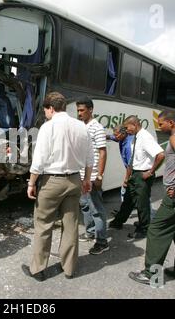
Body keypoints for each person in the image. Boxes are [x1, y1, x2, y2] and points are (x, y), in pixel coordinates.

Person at [22, 92, 93, 281]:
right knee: (71, 225)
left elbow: (39, 160)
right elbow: (89, 158)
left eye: (45, 110)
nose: (45, 114)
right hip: (75, 180)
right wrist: (86, 180)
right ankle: (69, 268)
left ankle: (38, 270)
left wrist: (31, 183)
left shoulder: (48, 127)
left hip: (52, 181)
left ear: (51, 108)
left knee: (43, 225)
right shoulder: (81, 127)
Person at [129, 110, 175, 286]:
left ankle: (152, 275)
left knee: (156, 230)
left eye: (161, 124)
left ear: (171, 123)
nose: (159, 127)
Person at [109, 116, 165, 239]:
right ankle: (118, 222)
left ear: (134, 124)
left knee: (142, 204)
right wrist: (127, 177)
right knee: (128, 200)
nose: (126, 130)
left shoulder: (145, 137)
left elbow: (160, 155)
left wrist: (150, 172)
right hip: (135, 174)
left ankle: (143, 228)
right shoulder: (135, 137)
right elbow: (132, 159)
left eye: (127, 127)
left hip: (143, 175)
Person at [76, 98, 109, 255]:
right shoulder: (83, 126)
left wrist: (99, 176)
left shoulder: (97, 128)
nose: (79, 113)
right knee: (84, 205)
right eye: (78, 110)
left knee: (97, 209)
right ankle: (90, 232)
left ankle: (102, 242)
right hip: (82, 175)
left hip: (92, 176)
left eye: (82, 110)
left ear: (90, 109)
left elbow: (102, 152)